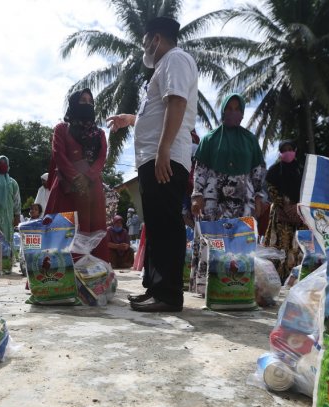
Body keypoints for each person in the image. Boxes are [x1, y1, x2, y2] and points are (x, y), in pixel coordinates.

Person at [107, 16, 198, 312]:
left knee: (167, 224)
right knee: (156, 225)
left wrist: (164, 149)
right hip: (153, 157)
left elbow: (177, 103)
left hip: (165, 156)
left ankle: (169, 295)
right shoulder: (163, 67)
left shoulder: (176, 59)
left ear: (156, 39)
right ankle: (156, 288)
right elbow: (157, 112)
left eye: (146, 42)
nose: (145, 48)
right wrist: (131, 119)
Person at [188, 93, 266, 295]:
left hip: (243, 201)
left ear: (242, 114)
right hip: (214, 202)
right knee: (214, 240)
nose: (232, 113)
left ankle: (238, 287)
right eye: (228, 108)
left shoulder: (250, 140)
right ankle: (210, 289)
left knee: (239, 242)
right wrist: (197, 195)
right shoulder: (210, 139)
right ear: (222, 111)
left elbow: (258, 172)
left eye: (236, 109)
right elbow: (200, 171)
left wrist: (260, 196)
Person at [45, 88, 110, 262]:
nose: (87, 104)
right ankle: (58, 279)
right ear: (73, 104)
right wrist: (76, 177)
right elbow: (59, 154)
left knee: (92, 231)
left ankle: (92, 278)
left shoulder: (99, 134)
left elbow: (102, 157)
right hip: (66, 190)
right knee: (62, 231)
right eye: (83, 101)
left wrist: (87, 176)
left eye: (90, 102)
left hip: (91, 190)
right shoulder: (61, 129)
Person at [264, 140, 307, 282]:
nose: (287, 152)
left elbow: (307, 190)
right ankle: (276, 280)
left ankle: (294, 280)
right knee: (280, 247)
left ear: (295, 151)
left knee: (297, 248)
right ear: (280, 152)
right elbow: (271, 189)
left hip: (299, 215)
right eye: (284, 150)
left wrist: (297, 208)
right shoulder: (274, 171)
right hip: (280, 215)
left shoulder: (302, 170)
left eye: (290, 149)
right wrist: (284, 206)